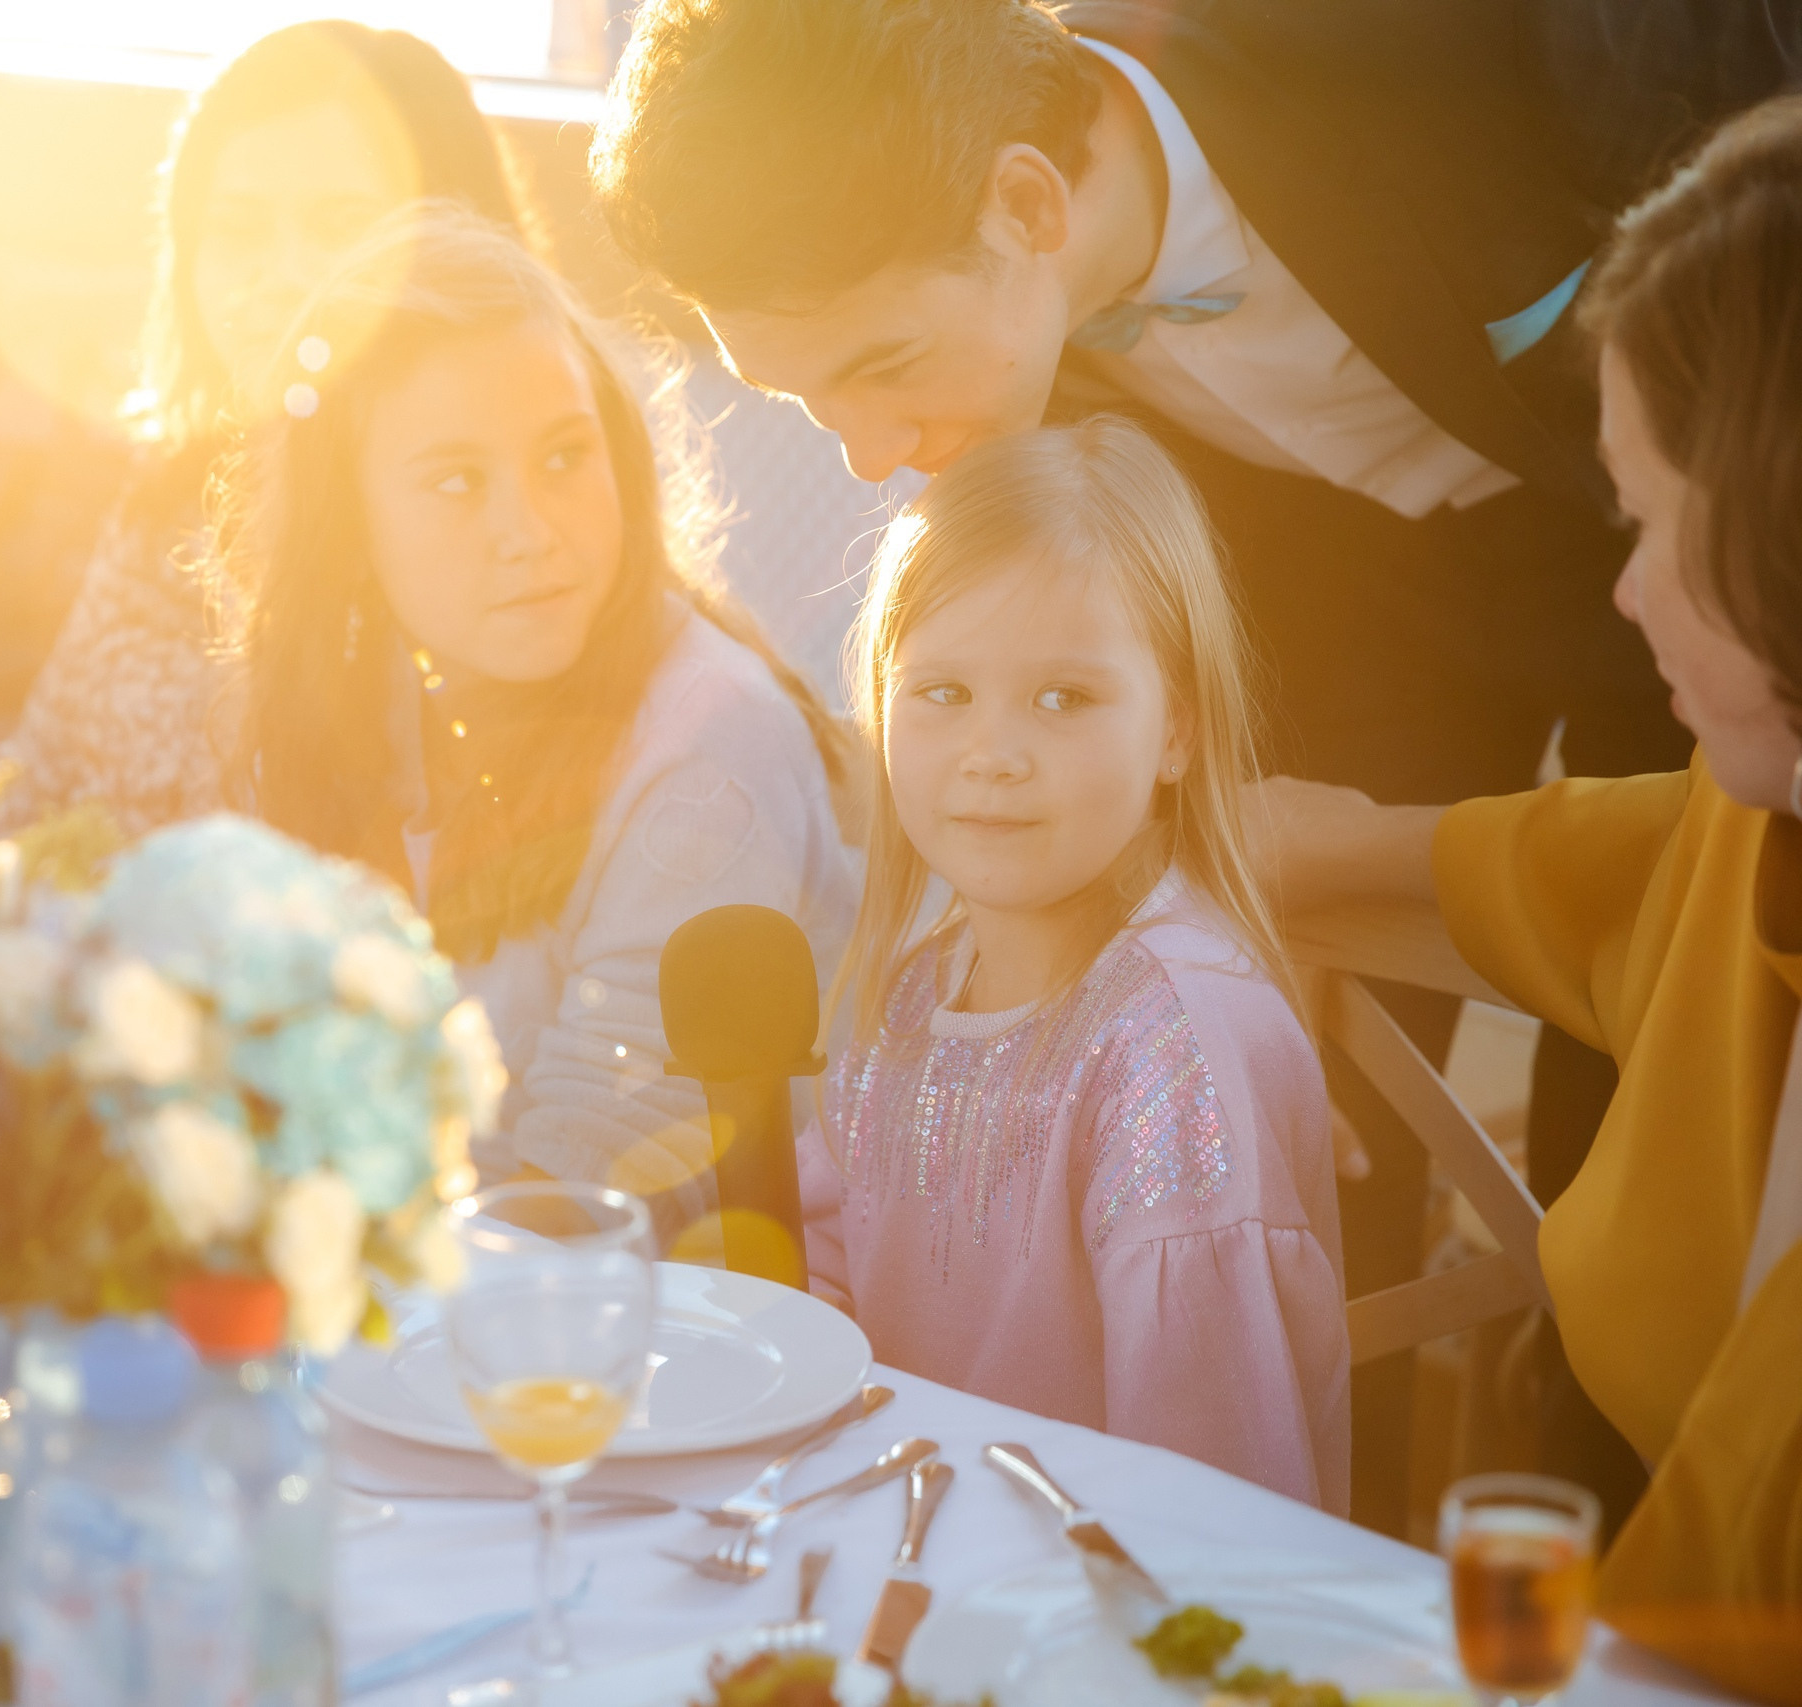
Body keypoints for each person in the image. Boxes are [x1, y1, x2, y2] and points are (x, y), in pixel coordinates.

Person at [588, 0, 1796, 1526]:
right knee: (1306, 1162)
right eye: (808, 397)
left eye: (882, 362)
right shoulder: (1037, 457)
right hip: (1360, 652)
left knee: (1645, 1183)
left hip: (1709, 613)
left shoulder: (1482, 54)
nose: (870, 451)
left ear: (1029, 204)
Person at [1260, 99, 1802, 1699]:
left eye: (1643, 519)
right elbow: (1573, 864)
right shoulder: (1739, 827)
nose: (1621, 588)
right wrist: (1293, 850)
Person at [212, 205, 859, 1248]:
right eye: (457, 482)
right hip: (439, 1306)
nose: (529, 533)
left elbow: (596, 1186)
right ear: (351, 523)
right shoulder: (359, 701)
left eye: (564, 456)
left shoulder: (709, 750)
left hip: (684, 1339)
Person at [800, 417, 1346, 1512]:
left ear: (1176, 731)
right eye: (943, 692)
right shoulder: (905, 1001)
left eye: (1063, 698)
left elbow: (1208, 1518)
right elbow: (828, 1301)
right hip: (902, 1576)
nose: (991, 754)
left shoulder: (1174, 1054)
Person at [0, 21, 535, 838]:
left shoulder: (508, 539)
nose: (281, 274)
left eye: (341, 223)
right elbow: (31, 784)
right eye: (241, 229)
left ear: (455, 247)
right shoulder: (172, 494)